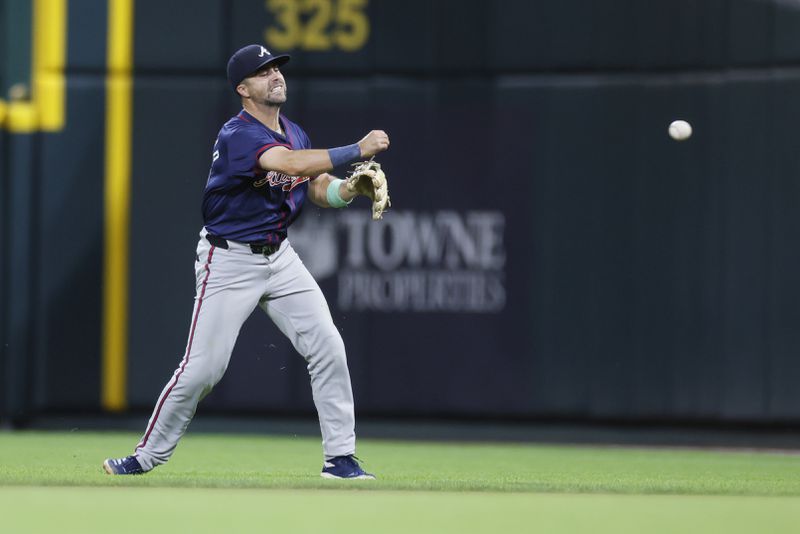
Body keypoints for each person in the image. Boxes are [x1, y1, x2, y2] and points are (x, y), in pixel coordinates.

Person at [103, 44, 389, 479]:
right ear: (243, 88)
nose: (275, 75)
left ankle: (340, 458)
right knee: (203, 371)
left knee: (328, 346)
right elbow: (287, 164)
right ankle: (146, 456)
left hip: (280, 256)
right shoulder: (238, 134)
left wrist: (349, 190)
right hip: (229, 260)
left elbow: (312, 185)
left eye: (276, 67)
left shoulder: (294, 132)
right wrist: (358, 149)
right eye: (262, 72)